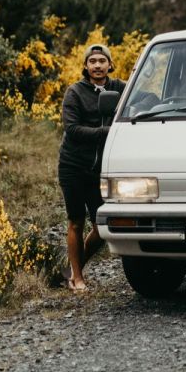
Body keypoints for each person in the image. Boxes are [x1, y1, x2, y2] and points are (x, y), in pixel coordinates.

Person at [57, 43, 126, 291]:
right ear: (85, 66)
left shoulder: (120, 88)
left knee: (101, 225)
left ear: (109, 64)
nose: (97, 65)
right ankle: (77, 278)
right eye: (92, 61)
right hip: (73, 166)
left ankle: (72, 269)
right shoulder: (74, 92)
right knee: (76, 221)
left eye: (102, 60)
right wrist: (109, 132)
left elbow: (141, 100)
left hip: (101, 169)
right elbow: (72, 129)